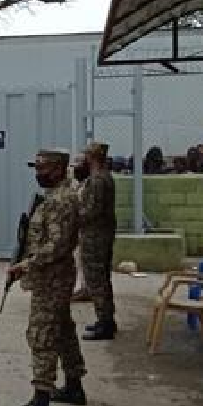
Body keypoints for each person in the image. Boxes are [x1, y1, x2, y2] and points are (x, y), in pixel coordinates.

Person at [4, 149, 87, 406]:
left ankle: (41, 402)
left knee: (41, 334)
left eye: (44, 168)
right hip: (51, 276)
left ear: (60, 169)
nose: (38, 173)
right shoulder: (52, 197)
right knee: (62, 330)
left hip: (53, 277)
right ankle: (74, 385)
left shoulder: (62, 200)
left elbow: (57, 246)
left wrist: (25, 265)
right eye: (36, 168)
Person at [80, 142, 119, 342]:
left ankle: (105, 323)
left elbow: (91, 211)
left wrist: (73, 215)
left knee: (96, 279)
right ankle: (107, 319)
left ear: (91, 157)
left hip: (95, 236)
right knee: (102, 278)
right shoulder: (105, 177)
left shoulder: (97, 180)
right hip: (102, 233)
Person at [70, 154, 91, 302]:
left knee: (84, 259)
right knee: (79, 259)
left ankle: (87, 289)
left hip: (87, 229)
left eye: (78, 168)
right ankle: (84, 288)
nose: (75, 171)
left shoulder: (90, 185)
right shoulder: (80, 184)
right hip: (79, 228)